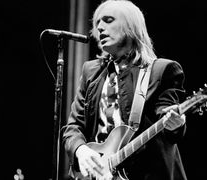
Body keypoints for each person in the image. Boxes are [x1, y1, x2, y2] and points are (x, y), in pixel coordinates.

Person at [62, 0, 187, 180]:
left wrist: (177, 123)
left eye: (108, 20)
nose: (100, 28)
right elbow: (73, 127)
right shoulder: (91, 71)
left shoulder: (161, 70)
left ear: (130, 25)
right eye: (97, 23)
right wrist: (80, 150)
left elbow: (166, 117)